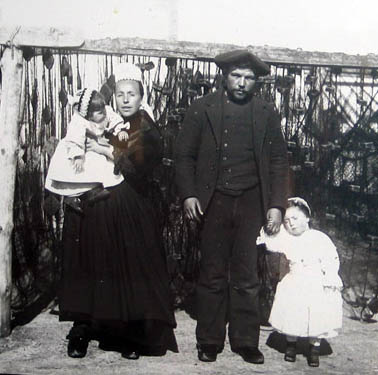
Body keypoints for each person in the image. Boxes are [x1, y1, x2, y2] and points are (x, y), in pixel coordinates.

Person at [174, 49, 289, 364]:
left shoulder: (266, 113)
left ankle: (245, 341)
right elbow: (184, 156)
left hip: (252, 201)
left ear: (256, 82)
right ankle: (209, 340)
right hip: (214, 202)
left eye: (249, 78)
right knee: (211, 272)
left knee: (246, 275)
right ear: (224, 76)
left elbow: (279, 161)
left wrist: (276, 205)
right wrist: (188, 195)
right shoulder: (203, 109)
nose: (242, 83)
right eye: (236, 76)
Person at [58, 62, 178, 360]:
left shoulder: (146, 126)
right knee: (88, 257)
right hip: (101, 202)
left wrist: (108, 151)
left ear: (141, 97)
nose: (125, 99)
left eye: (132, 94)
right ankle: (81, 325)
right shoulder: (105, 121)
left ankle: (131, 332)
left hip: (133, 204)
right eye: (121, 94)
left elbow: (138, 167)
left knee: (131, 264)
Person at [257, 197, 343, 367]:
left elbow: (331, 259)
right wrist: (273, 226)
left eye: (295, 219)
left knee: (316, 315)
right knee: (293, 312)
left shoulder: (320, 238)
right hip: (295, 281)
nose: (291, 224)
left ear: (307, 218)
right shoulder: (287, 238)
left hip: (316, 283)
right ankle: (291, 345)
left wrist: (330, 278)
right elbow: (270, 240)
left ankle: (314, 349)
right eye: (287, 221)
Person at [45, 88, 127, 208]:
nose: (104, 113)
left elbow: (114, 119)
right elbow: (75, 138)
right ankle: (72, 198)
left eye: (104, 109)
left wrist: (120, 130)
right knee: (77, 173)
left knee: (103, 168)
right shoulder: (79, 122)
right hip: (79, 147)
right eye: (99, 112)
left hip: (95, 143)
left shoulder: (105, 111)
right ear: (88, 115)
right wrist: (78, 156)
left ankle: (95, 192)